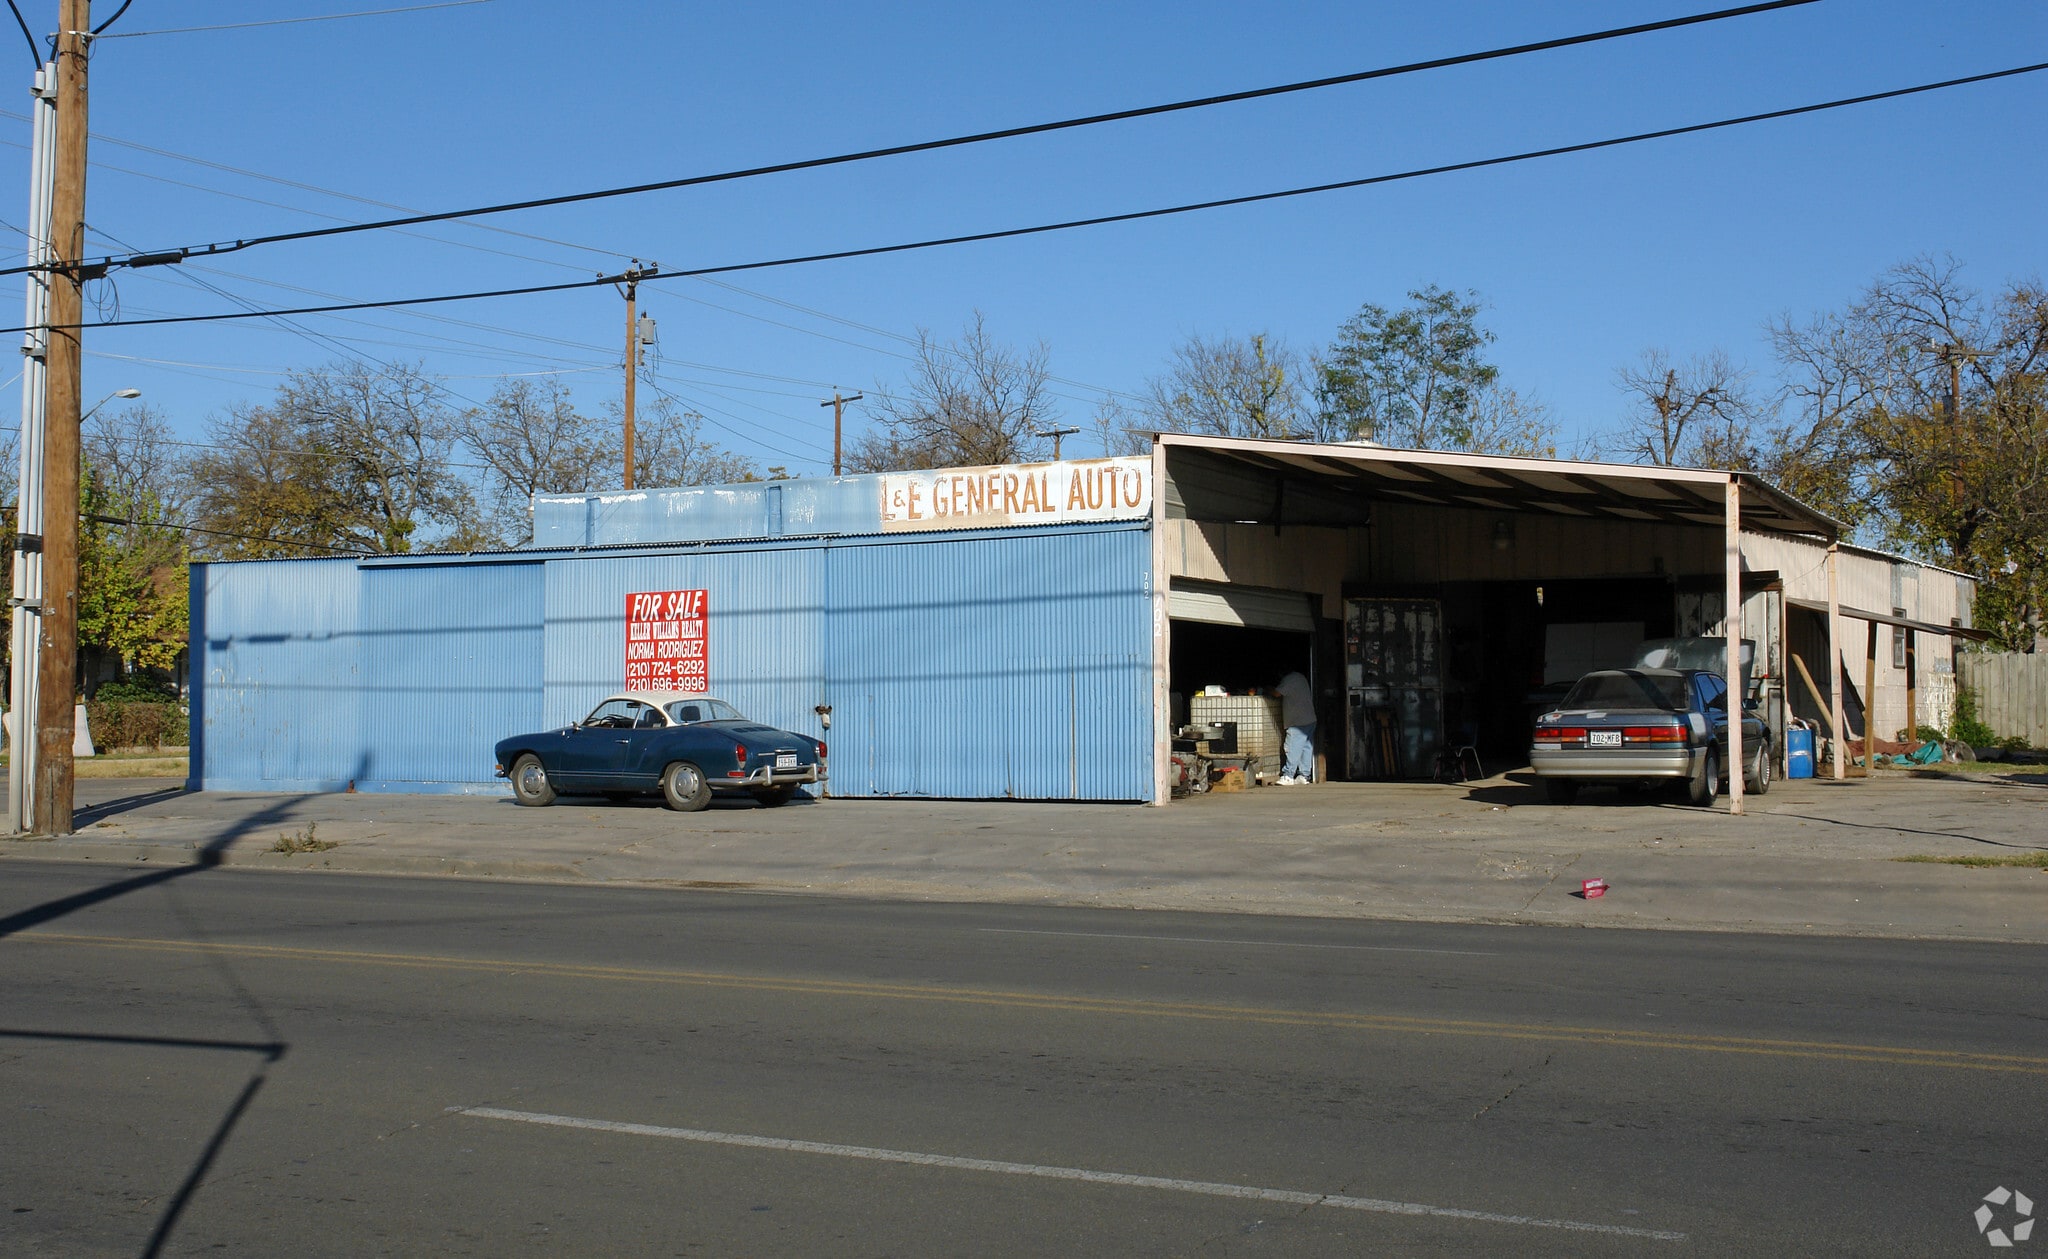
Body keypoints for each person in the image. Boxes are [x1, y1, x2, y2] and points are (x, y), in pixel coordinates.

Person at [1274, 670, 1315, 785]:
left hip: (1298, 721)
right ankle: (1304, 775)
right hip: (1309, 718)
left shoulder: (1289, 679)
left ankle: (1288, 775)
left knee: (1292, 747)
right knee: (1306, 748)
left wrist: (1267, 689)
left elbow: (1277, 693)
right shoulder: (1301, 677)